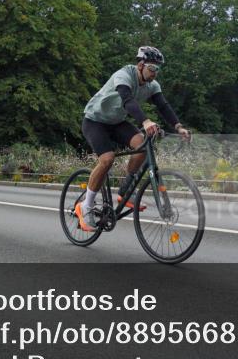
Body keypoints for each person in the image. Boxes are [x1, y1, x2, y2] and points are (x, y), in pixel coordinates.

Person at [75, 46, 191, 232]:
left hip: (116, 122)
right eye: (152, 68)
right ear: (140, 65)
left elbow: (163, 106)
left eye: (158, 69)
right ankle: (85, 206)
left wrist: (178, 127)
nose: (155, 73)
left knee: (142, 146)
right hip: (95, 121)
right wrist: (145, 121)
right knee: (107, 159)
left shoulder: (152, 85)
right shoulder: (124, 75)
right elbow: (128, 100)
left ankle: (125, 190)